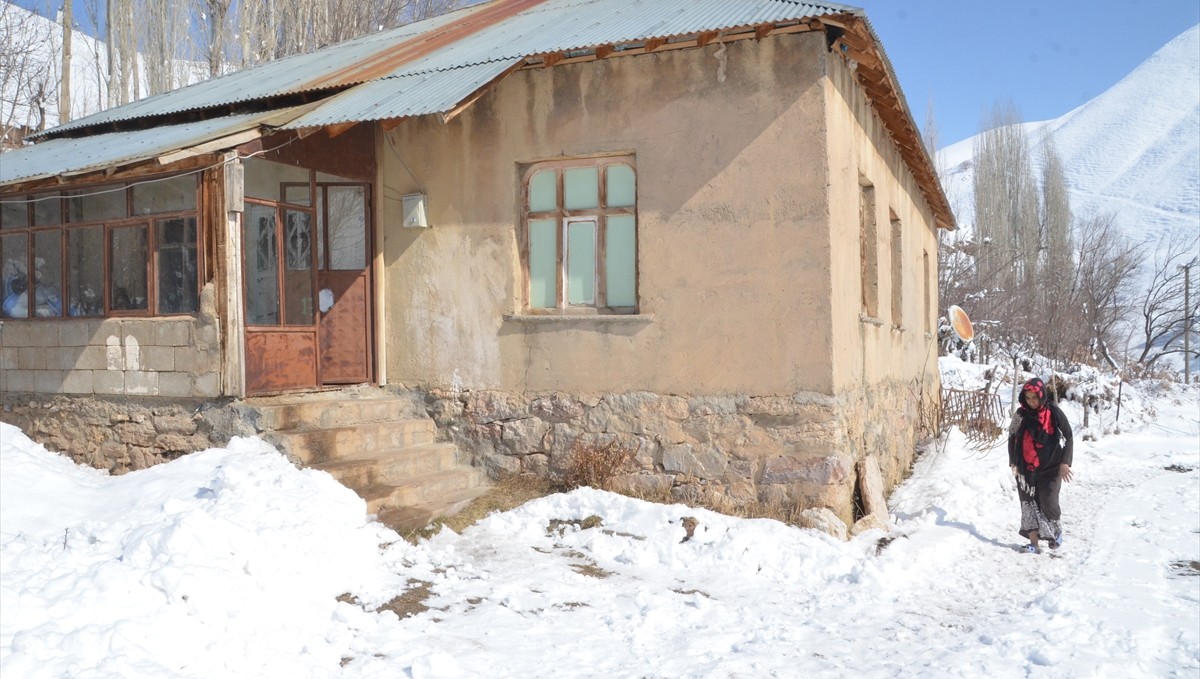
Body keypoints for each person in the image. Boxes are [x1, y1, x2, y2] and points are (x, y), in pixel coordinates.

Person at [1007, 377, 1074, 554]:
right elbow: (1012, 437)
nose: (1031, 402)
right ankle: (1034, 544)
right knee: (1028, 503)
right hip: (1025, 469)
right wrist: (1013, 462)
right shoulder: (1020, 415)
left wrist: (1065, 462)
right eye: (1028, 398)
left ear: (1042, 395)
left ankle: (1056, 532)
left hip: (1051, 466)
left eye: (1034, 397)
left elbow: (1069, 437)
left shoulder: (1054, 412)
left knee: (1048, 501)